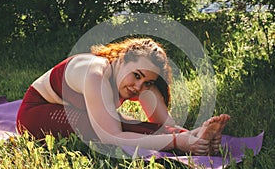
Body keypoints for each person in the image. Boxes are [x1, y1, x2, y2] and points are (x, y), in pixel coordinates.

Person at [16, 37, 230, 155]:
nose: (138, 87)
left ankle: (196, 137)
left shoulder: (136, 82)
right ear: (121, 58)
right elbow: (111, 137)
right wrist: (176, 141)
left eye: (147, 81)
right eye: (136, 75)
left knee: (123, 125)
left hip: (73, 110)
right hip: (36, 114)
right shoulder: (95, 73)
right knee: (106, 130)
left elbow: (163, 124)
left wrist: (191, 133)